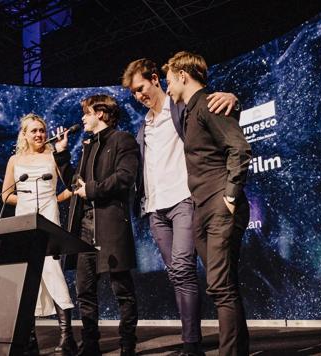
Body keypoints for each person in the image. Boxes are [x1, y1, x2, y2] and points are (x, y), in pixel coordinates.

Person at [121, 58, 240, 356]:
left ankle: (191, 344)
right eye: (133, 93)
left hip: (184, 200)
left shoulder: (180, 109)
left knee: (185, 268)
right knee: (176, 273)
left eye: (140, 88)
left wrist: (234, 99)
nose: (138, 96)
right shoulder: (143, 127)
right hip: (155, 209)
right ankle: (193, 340)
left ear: (155, 79)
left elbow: (212, 111)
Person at [163, 51, 252, 356]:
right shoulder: (188, 111)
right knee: (223, 286)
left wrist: (230, 195)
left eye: (169, 81)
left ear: (182, 76)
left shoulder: (208, 103)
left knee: (220, 287)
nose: (168, 89)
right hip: (202, 208)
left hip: (219, 206)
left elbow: (239, 149)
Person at [53, 94, 139, 356]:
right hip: (84, 227)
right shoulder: (88, 146)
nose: (83, 118)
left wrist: (91, 189)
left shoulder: (122, 140)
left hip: (110, 224)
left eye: (87, 113)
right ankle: (90, 344)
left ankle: (127, 343)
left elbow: (125, 178)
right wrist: (62, 154)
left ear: (101, 113)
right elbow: (74, 185)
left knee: (121, 289)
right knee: (85, 291)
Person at [2, 113, 77, 355]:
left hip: (48, 219)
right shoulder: (15, 160)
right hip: (23, 221)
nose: (39, 134)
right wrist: (26, 200)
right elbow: (5, 195)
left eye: (42, 130)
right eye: (33, 131)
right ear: (24, 134)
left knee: (52, 272)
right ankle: (29, 338)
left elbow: (72, 185)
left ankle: (67, 338)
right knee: (27, 277)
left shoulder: (53, 155)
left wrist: (54, 199)